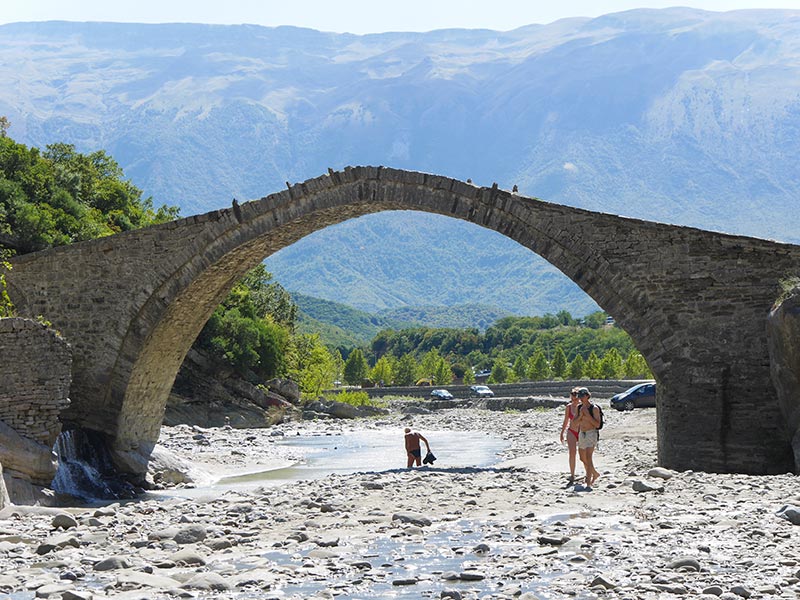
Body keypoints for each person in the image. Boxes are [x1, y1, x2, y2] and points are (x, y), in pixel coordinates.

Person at [574, 387, 601, 489]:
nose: (580, 399)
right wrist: (581, 415)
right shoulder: (579, 408)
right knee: (582, 457)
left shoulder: (594, 408)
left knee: (589, 458)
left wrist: (587, 415)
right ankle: (594, 473)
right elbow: (574, 423)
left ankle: (588, 483)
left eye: (582, 396)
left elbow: (597, 424)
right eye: (579, 397)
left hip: (591, 433)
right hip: (582, 433)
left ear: (587, 396)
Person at [559, 387, 581, 484]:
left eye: (576, 398)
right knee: (572, 453)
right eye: (572, 398)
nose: (574, 400)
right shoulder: (568, 407)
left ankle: (588, 472)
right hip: (571, 431)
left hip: (582, 432)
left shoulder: (583, 407)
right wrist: (562, 433)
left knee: (583, 454)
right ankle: (572, 474)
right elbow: (566, 420)